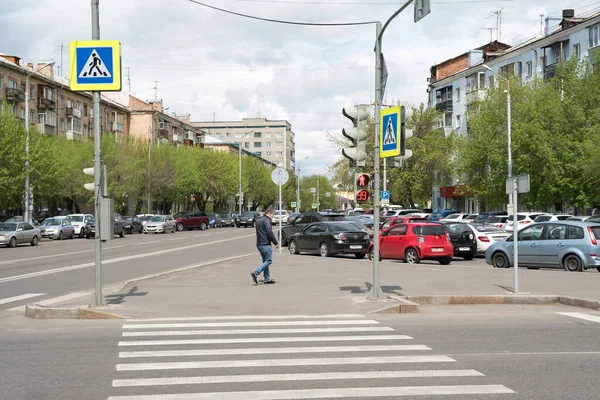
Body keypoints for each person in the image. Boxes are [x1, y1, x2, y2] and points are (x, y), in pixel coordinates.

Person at [251, 209, 278, 284]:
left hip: (259, 244)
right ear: (269, 214)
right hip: (265, 244)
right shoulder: (267, 220)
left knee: (265, 261)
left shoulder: (259, 221)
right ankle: (256, 272)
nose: (273, 216)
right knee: (268, 261)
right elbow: (269, 232)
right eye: (272, 215)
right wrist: (275, 242)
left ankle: (267, 278)